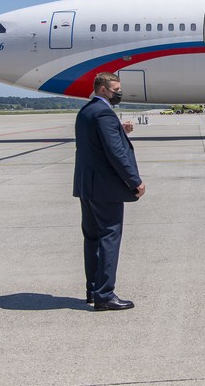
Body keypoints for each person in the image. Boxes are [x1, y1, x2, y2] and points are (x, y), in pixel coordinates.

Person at [73, 72, 145, 311]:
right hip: (106, 188)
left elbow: (96, 143)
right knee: (109, 237)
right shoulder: (104, 113)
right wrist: (134, 180)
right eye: (115, 89)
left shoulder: (86, 111)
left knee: (92, 238)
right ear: (103, 89)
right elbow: (115, 153)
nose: (119, 93)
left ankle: (93, 290)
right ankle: (105, 294)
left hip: (87, 186)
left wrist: (120, 130)